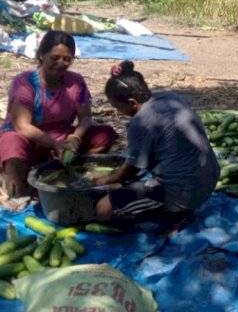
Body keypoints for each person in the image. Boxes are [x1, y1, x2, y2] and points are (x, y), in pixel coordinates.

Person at [92, 61, 220, 227]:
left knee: (103, 210)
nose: (117, 112)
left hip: (182, 192)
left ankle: (173, 215)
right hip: (209, 178)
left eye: (117, 107)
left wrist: (104, 180)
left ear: (132, 102)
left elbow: (129, 170)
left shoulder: (141, 122)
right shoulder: (169, 97)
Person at [0, 31, 118, 198]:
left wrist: (75, 138)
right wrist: (54, 144)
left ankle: (65, 165)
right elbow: (22, 125)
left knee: (105, 135)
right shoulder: (25, 82)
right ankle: (21, 185)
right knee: (12, 144)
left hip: (62, 138)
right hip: (29, 138)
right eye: (55, 58)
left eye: (67, 59)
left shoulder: (76, 81)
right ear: (41, 55)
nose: (61, 63)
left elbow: (85, 117)